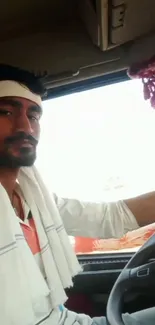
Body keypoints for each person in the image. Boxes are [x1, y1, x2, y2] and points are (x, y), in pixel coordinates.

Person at [0, 64, 154, 325]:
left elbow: (109, 217)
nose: (25, 126)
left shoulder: (34, 198)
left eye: (34, 115)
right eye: (5, 111)